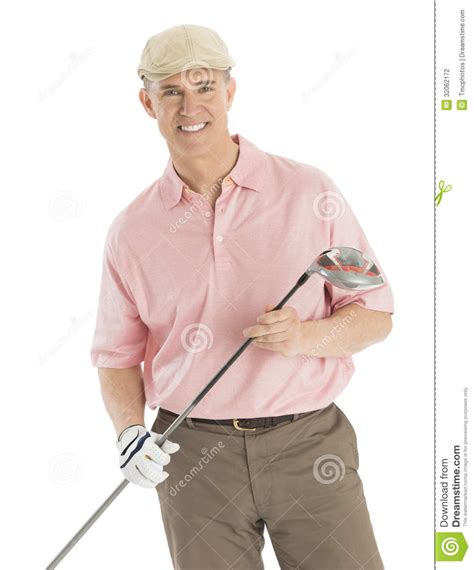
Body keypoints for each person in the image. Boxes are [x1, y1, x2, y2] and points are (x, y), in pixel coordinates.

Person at [90, 24, 394, 570]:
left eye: (204, 86)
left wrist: (306, 336)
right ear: (147, 103)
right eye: (171, 92)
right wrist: (130, 433)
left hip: (309, 443)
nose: (190, 106)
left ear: (230, 92)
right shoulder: (131, 231)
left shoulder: (311, 191)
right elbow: (116, 356)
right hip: (190, 457)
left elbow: (375, 314)